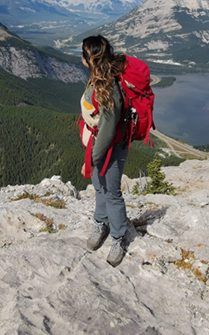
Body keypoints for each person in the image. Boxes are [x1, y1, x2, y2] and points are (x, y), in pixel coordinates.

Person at [80, 35, 130, 267]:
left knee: (111, 191)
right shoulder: (97, 78)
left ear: (88, 58)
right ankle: (102, 222)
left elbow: (109, 128)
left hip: (110, 146)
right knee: (99, 185)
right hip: (98, 143)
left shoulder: (108, 85)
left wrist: (90, 160)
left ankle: (119, 236)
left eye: (83, 54)